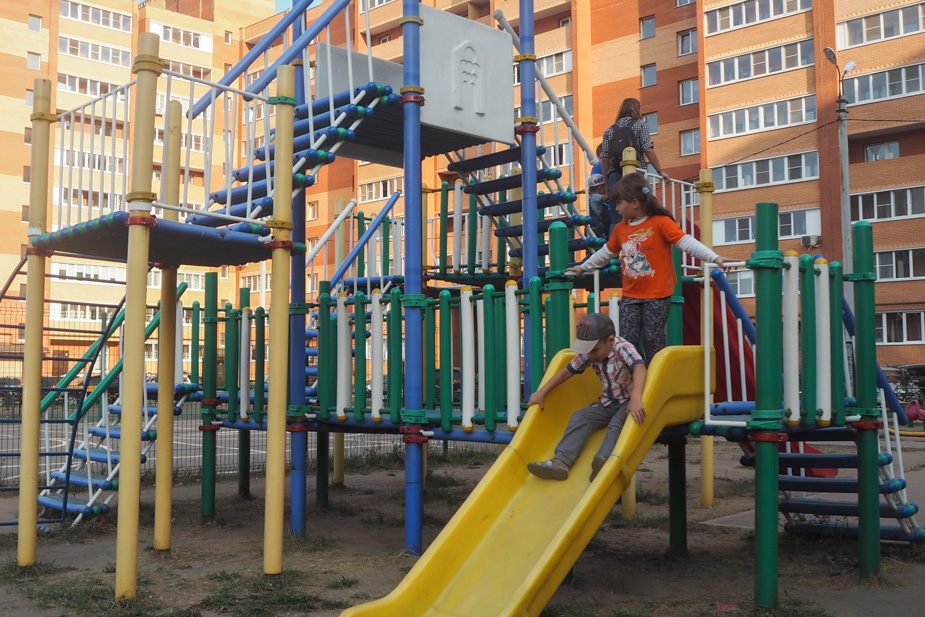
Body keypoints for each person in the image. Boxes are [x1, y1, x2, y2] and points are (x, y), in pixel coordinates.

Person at [568, 172, 732, 366]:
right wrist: (583, 267)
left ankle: (654, 376)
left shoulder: (660, 222)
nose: (617, 209)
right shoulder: (621, 229)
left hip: (657, 294)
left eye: (619, 203)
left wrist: (714, 257)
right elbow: (605, 253)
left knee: (653, 339)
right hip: (631, 295)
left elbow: (686, 242)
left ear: (635, 203)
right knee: (627, 340)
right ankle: (637, 375)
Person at [526, 313, 646, 482]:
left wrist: (636, 398)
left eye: (595, 350)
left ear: (611, 340)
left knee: (616, 425)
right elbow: (567, 371)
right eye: (588, 350)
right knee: (579, 417)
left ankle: (604, 461)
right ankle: (561, 462)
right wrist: (541, 392)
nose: (591, 355)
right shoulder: (591, 353)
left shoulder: (623, 348)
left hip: (629, 401)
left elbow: (639, 368)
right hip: (608, 401)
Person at [600, 98, 670, 192]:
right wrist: (660, 171)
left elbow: (605, 159)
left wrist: (607, 183)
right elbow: (647, 149)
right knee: (638, 200)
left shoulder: (609, 130)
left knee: (617, 201)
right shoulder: (640, 125)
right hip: (637, 174)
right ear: (636, 109)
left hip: (615, 176)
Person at [586, 173, 610, 239]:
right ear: (600, 187)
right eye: (605, 186)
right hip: (597, 228)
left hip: (596, 227)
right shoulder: (595, 197)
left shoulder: (592, 196)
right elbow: (607, 197)